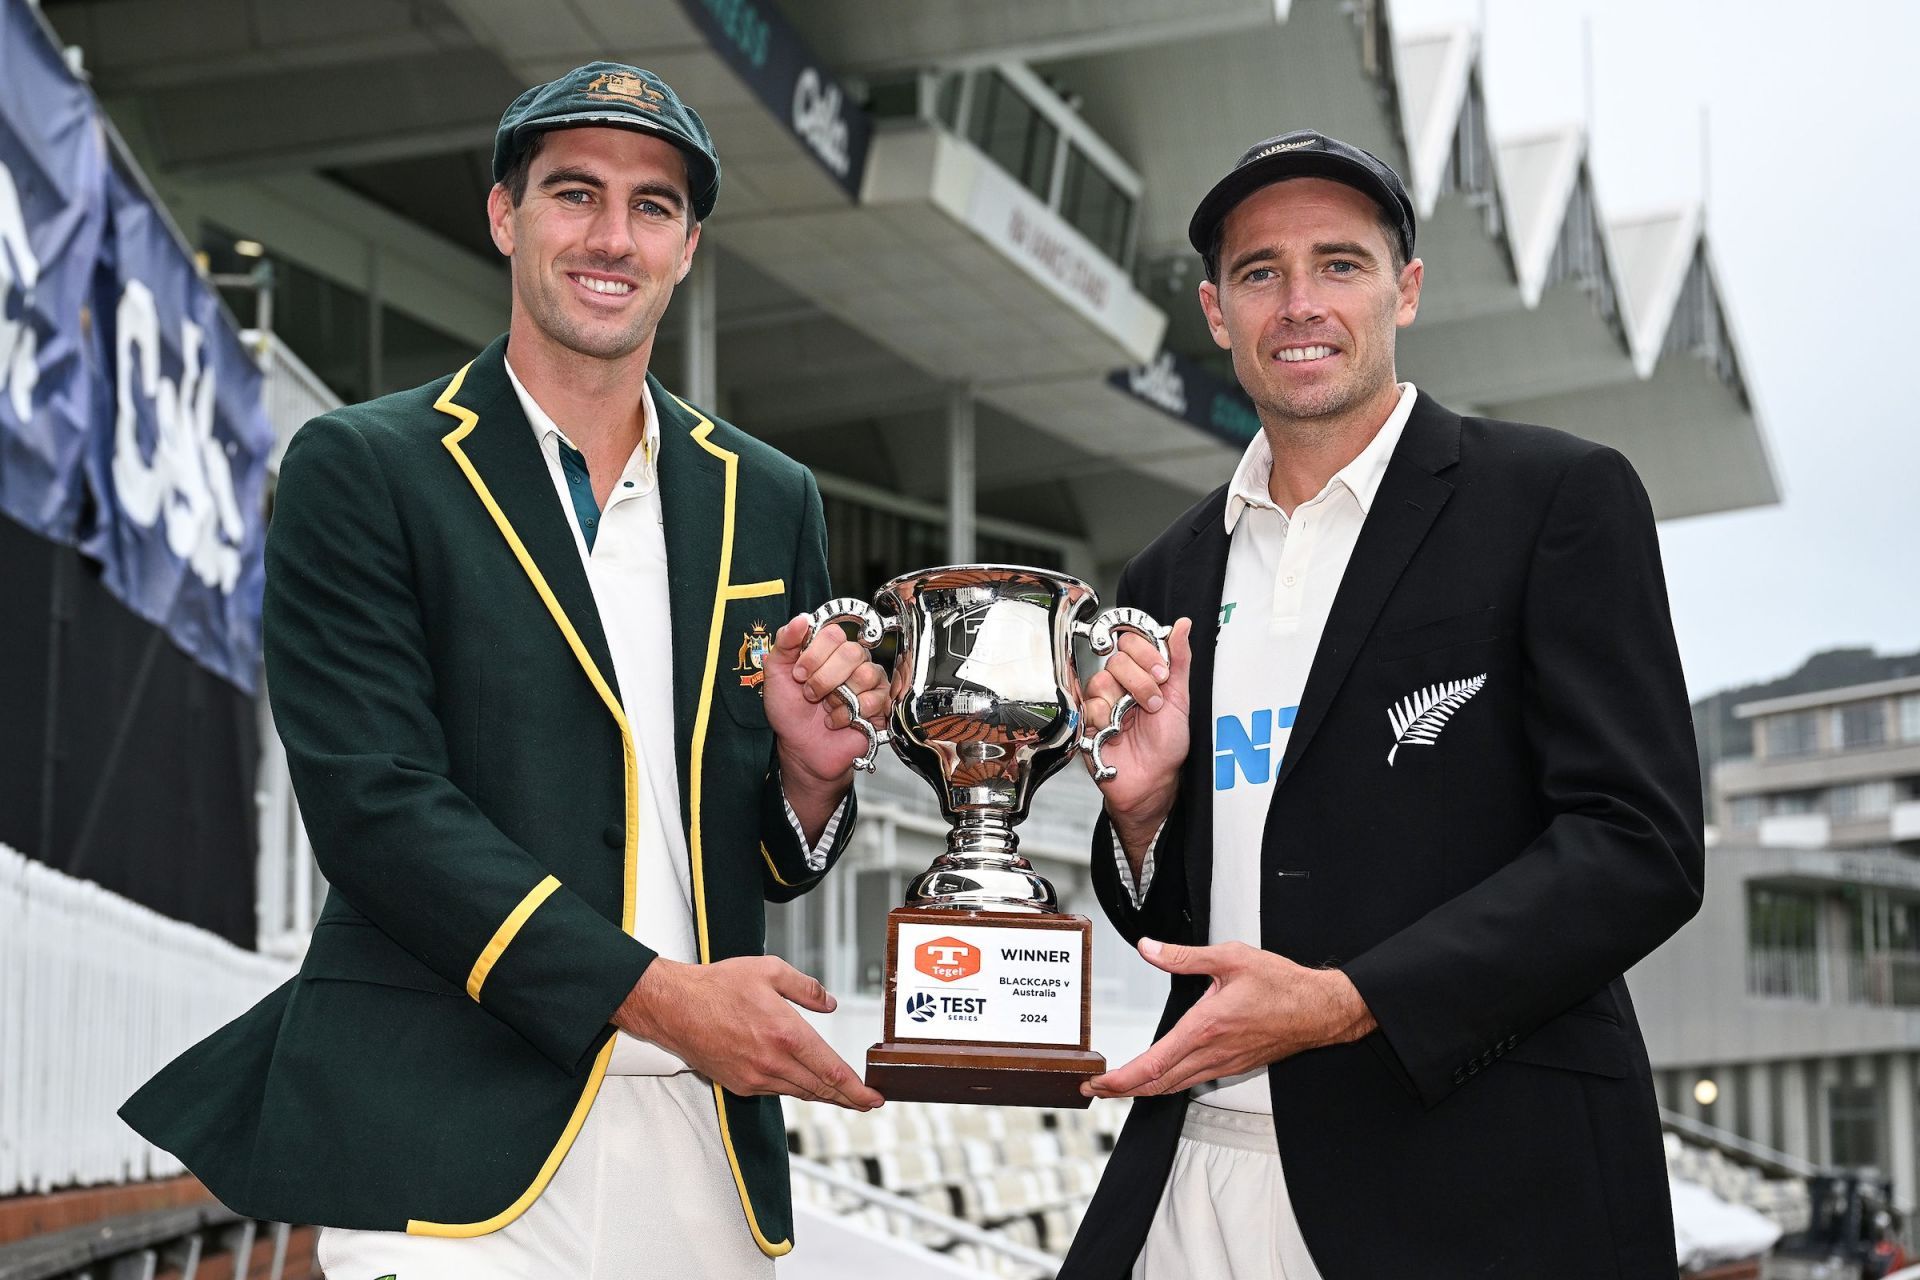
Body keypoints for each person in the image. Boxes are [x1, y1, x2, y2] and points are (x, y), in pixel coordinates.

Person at [120, 62, 887, 1279]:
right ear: (504, 215)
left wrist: (806, 776)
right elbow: (376, 805)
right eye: (573, 193)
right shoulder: (363, 465)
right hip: (443, 1133)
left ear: (688, 246)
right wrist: (655, 993)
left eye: (651, 207)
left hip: (703, 1138)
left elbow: (748, 850)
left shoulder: (768, 495)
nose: (611, 236)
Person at [1060, 131, 1704, 1279]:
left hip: (1473, 1180)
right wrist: (1143, 815)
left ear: (1405, 287)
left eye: (1339, 264)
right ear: (1216, 310)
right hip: (1201, 1165)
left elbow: (1639, 844)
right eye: (1261, 273)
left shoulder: (1555, 496)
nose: (1299, 303)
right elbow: (1168, 898)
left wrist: (1352, 999)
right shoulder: (1166, 574)